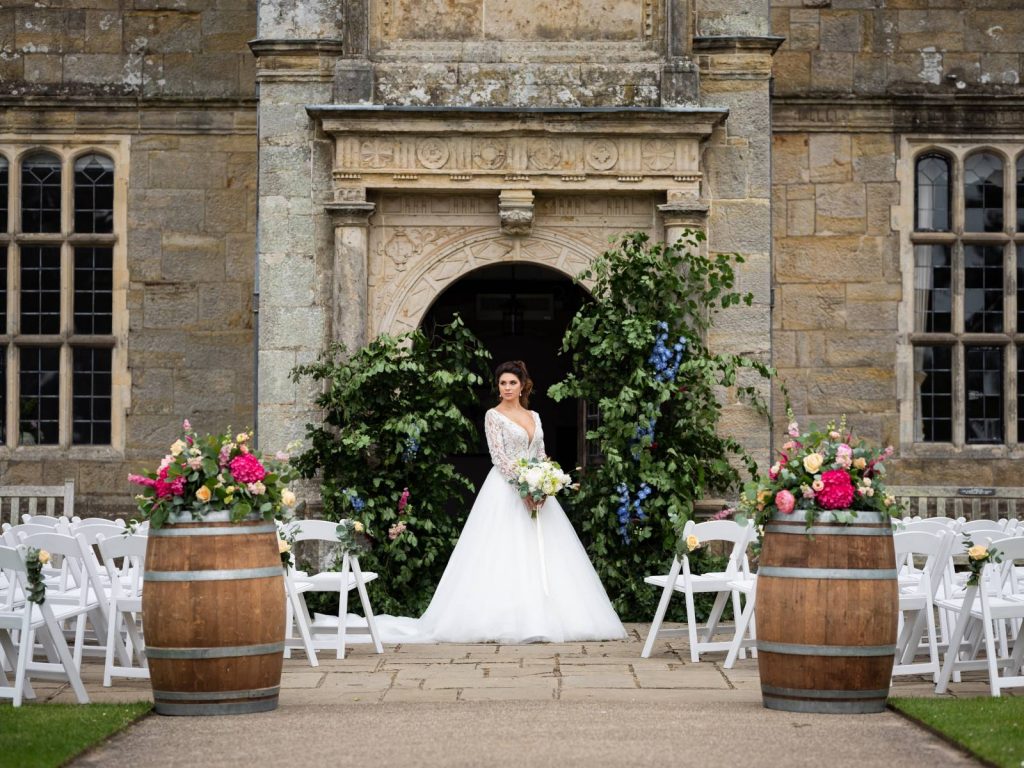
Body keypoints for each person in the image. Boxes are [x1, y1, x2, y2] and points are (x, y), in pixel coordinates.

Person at [372, 360, 627, 644]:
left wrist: (544, 484)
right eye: (502, 383)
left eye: (512, 383)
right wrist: (524, 487)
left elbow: (541, 453)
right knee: (504, 551)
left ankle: (552, 617)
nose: (506, 388)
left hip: (538, 490)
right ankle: (506, 619)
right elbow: (499, 456)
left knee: (547, 553)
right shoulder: (493, 416)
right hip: (507, 489)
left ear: (523, 386)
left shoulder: (535, 416)